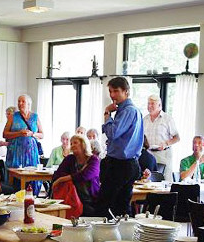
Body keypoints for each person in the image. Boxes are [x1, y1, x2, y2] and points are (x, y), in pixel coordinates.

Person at [97, 77, 143, 217]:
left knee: (106, 205)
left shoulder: (128, 111)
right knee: (120, 205)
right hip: (126, 163)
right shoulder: (131, 111)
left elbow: (112, 133)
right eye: (110, 91)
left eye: (116, 91)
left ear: (126, 92)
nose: (112, 95)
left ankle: (107, 236)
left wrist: (106, 113)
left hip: (121, 164)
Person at [3, 94, 44, 194]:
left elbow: (42, 134)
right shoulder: (13, 117)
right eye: (19, 101)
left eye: (23, 101)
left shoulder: (35, 117)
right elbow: (5, 134)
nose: (20, 103)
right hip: (16, 152)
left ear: (29, 104)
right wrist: (19, 133)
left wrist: (32, 134)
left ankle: (32, 198)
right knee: (16, 178)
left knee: (31, 176)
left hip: (31, 153)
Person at [52, 135, 100, 218]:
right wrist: (61, 178)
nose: (72, 145)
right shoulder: (70, 159)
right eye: (71, 143)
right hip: (71, 198)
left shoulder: (94, 160)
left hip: (90, 200)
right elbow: (58, 174)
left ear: (83, 144)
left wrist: (62, 179)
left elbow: (85, 175)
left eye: (75, 142)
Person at [143, 94, 179, 181]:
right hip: (149, 154)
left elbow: (177, 138)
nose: (149, 106)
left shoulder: (167, 119)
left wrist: (166, 144)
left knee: (164, 180)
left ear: (159, 105)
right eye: (148, 104)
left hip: (163, 154)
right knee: (148, 180)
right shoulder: (144, 119)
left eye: (152, 104)